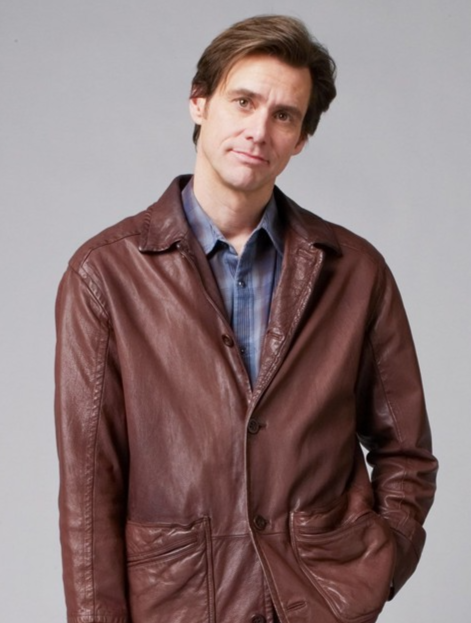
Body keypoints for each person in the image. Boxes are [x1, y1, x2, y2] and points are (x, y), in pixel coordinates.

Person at [54, 15, 437, 623]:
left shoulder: (355, 271)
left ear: (300, 138)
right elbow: (88, 490)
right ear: (199, 102)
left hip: (318, 606)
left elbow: (407, 453)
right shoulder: (105, 275)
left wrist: (377, 566)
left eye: (284, 115)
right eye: (244, 101)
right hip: (177, 607)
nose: (259, 130)